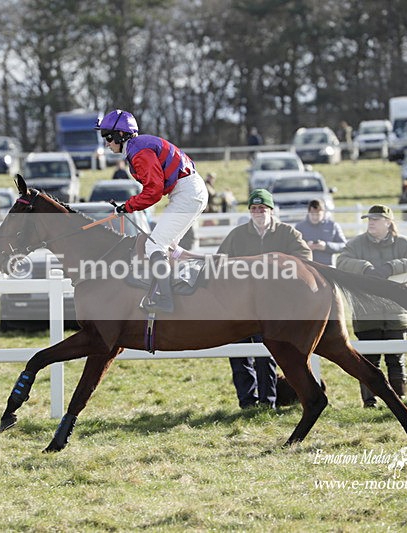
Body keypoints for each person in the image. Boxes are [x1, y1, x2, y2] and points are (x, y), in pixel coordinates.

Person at [96, 109, 208, 313]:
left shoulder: (138, 151)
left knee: (154, 246)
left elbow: (154, 191)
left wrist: (129, 206)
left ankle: (166, 300)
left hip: (187, 193)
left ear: (122, 134)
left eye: (108, 137)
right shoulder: (138, 147)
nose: (106, 142)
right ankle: (192, 274)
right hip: (188, 191)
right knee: (168, 246)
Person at [217, 189, 312, 409]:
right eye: (254, 208)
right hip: (240, 306)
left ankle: (268, 402)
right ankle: (247, 402)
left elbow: (304, 258)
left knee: (267, 354)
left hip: (272, 307)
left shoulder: (287, 233)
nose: (258, 212)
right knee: (239, 355)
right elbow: (220, 262)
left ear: (271, 210)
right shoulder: (237, 235)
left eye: (262, 208)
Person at [336, 204, 407, 407]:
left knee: (396, 359)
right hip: (367, 312)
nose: (371, 223)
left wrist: (390, 267)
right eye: (369, 219)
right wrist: (365, 268)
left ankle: (399, 401)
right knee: (369, 362)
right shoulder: (356, 244)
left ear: (388, 222)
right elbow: (341, 261)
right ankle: (370, 402)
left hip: (396, 312)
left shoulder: (404, 243)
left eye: (375, 219)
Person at [294, 199, 346, 266]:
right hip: (306, 267)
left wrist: (326, 246)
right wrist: (306, 246)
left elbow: (344, 246)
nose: (315, 217)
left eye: (318, 214)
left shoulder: (333, 226)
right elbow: (292, 247)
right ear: (308, 212)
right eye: (312, 214)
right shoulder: (299, 227)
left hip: (328, 267)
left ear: (323, 212)